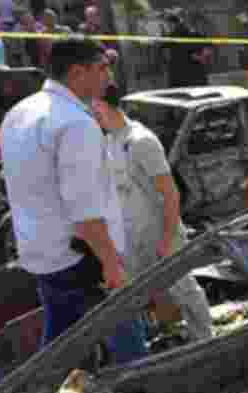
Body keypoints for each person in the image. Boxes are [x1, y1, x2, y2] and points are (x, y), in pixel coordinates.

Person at [0, 38, 147, 363]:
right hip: (82, 258)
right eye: (103, 68)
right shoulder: (75, 124)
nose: (110, 76)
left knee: (60, 341)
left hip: (41, 251)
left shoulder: (19, 113)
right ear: (78, 72)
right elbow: (85, 211)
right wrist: (111, 264)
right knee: (129, 343)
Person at [91, 83, 214, 343]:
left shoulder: (141, 141)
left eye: (92, 107)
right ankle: (143, 341)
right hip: (132, 235)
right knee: (127, 293)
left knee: (184, 289)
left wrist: (168, 239)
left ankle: (205, 338)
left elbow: (170, 194)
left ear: (102, 104)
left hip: (160, 232)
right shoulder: (110, 141)